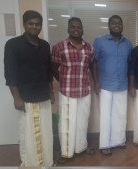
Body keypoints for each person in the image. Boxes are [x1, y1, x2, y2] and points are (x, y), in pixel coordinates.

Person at [4, 10, 54, 167]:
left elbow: (48, 72)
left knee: (45, 132)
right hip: (25, 97)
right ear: (24, 24)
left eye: (37, 24)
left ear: (41, 26)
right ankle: (30, 163)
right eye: (31, 23)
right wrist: (16, 98)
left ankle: (46, 162)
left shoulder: (45, 46)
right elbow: (10, 73)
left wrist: (51, 92)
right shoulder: (13, 45)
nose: (34, 26)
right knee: (28, 133)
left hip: (43, 95)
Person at [51, 17, 95, 163]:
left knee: (83, 121)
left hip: (84, 91)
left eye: (79, 27)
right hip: (67, 91)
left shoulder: (89, 48)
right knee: (66, 122)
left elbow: (91, 67)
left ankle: (80, 148)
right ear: (68, 29)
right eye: (73, 27)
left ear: (82, 29)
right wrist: (63, 80)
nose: (76, 29)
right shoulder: (59, 47)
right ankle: (66, 152)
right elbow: (53, 68)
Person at [92, 15, 132, 155]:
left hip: (122, 84)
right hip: (105, 85)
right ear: (109, 26)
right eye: (113, 23)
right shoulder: (99, 42)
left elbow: (129, 63)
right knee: (106, 116)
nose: (116, 25)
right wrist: (96, 82)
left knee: (120, 115)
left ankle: (119, 140)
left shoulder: (127, 43)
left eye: (119, 23)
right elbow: (94, 63)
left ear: (122, 26)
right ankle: (104, 145)